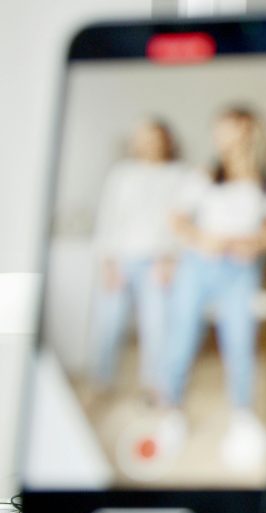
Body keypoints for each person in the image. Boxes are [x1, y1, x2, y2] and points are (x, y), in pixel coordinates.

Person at [164, 106, 266, 471]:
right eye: (219, 130)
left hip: (240, 269)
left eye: (231, 128)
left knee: (240, 342)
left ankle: (243, 417)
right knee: (181, 339)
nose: (224, 137)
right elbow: (176, 219)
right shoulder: (204, 175)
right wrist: (201, 238)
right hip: (198, 265)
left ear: (249, 131)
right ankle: (171, 411)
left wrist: (256, 243)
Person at [91, 118, 186, 393]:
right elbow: (107, 218)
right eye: (142, 138)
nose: (147, 143)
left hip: (157, 262)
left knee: (157, 328)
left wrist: (170, 259)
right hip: (120, 259)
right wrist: (107, 262)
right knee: (109, 325)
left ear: (166, 141)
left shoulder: (179, 175)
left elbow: (180, 222)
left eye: (153, 137)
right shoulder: (121, 174)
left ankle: (153, 385)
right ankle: (101, 382)